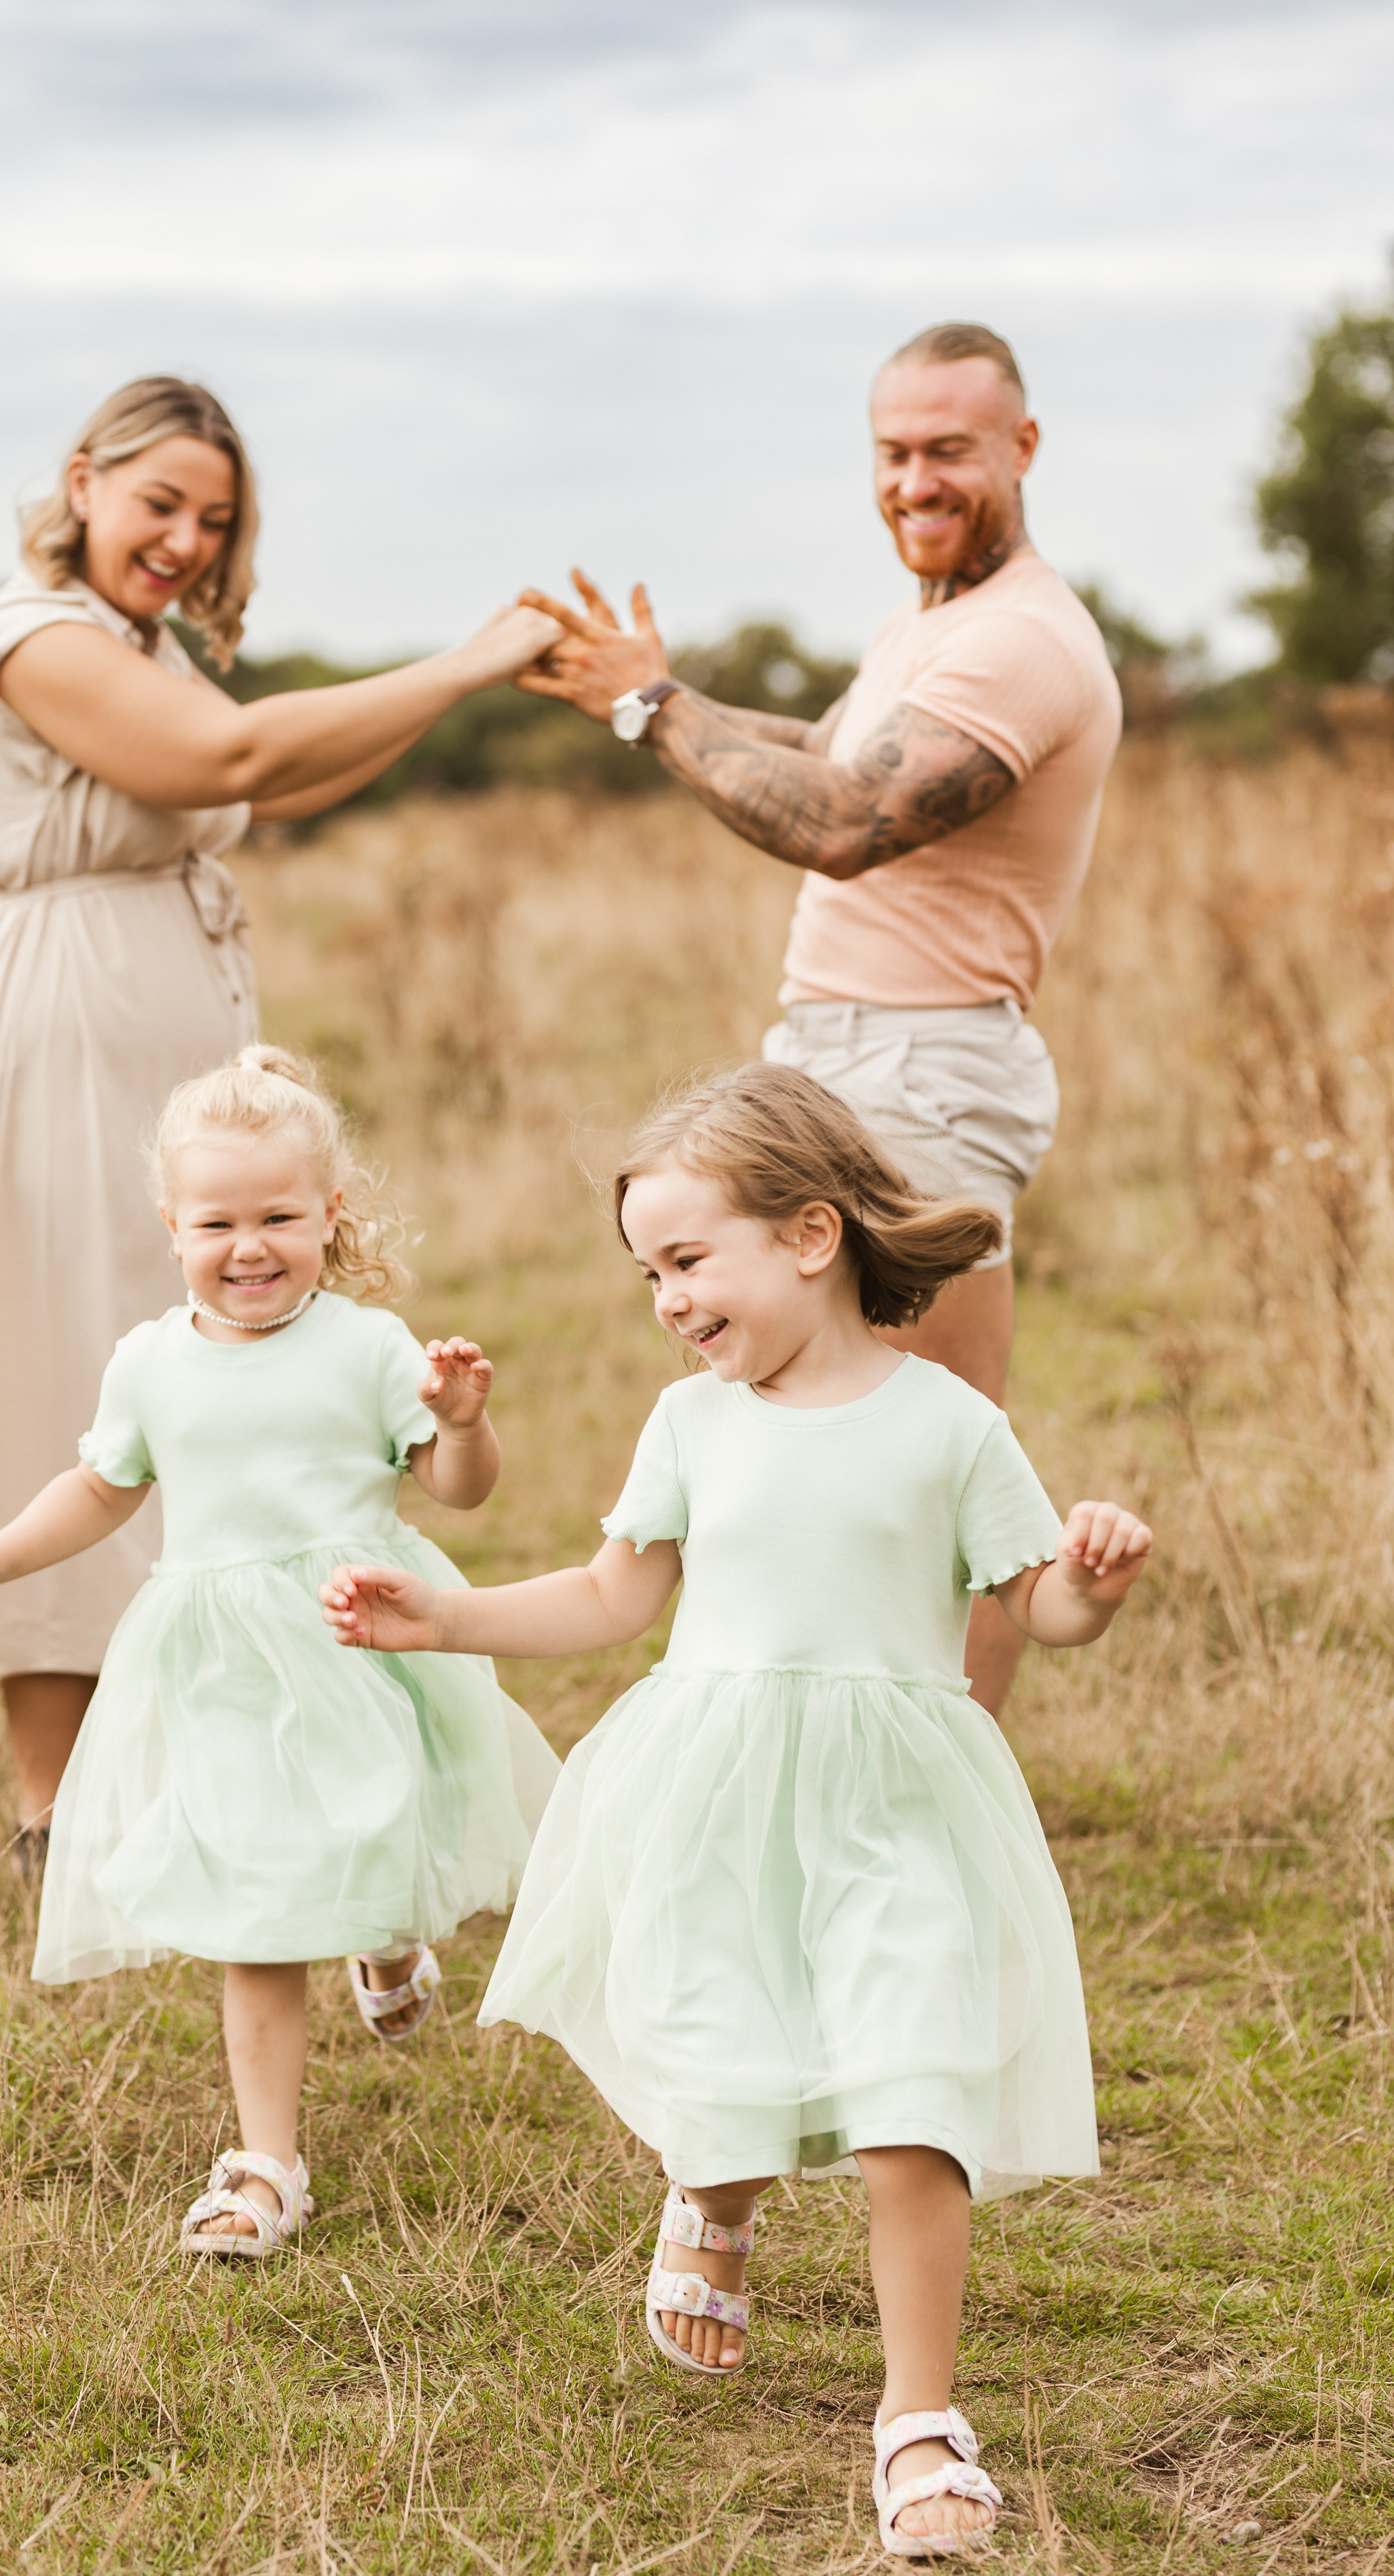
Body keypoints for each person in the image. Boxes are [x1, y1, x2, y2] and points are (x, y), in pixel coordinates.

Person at [322, 1063, 1150, 2555]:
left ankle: (915, 2421)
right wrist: (440, 1621)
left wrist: (1081, 1580)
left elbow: (1029, 1603)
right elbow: (608, 1597)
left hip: (897, 1802)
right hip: (716, 1791)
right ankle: (712, 2197)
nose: (665, 1299)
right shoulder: (689, 1427)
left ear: (812, 1237)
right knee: (728, 2037)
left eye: (689, 1260)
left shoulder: (948, 1426)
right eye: (647, 1271)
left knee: (913, 2094)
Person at [0, 376, 560, 1856]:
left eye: (216, 519)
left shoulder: (146, 649)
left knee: (191, 1363)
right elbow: (231, 761)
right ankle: (52, 1806)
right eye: (160, 503)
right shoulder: (36, 640)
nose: (185, 540)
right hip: (62, 1021)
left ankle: (193, 1746)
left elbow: (283, 778)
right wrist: (459, 663)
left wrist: (464, 694)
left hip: (156, 1028)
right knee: (66, 1355)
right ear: (83, 483)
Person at [515, 322, 1122, 1717]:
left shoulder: (1020, 641)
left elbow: (844, 822)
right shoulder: (927, 626)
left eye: (947, 451)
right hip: (849, 1060)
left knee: (913, 1464)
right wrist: (650, 691)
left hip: (923, 1064)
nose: (914, 479)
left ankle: (925, 1786)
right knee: (845, 1449)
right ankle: (866, 1767)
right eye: (892, 451)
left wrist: (650, 711)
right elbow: (831, 754)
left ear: (1019, 450)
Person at [0, 1046, 560, 2252]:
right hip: (215, 1658)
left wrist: (465, 1425)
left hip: (355, 1630)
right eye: (218, 1220)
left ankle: (384, 1935)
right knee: (256, 1907)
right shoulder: (152, 1361)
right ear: (172, 1226)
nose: (249, 1246)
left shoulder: (369, 1349)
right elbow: (102, 1489)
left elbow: (458, 1493)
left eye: (280, 1216)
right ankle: (267, 2164)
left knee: (368, 1822)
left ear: (331, 1216)